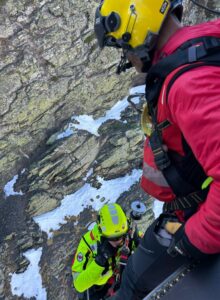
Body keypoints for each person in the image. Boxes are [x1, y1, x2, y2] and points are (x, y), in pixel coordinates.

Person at [94, 0, 220, 299]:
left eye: (122, 48)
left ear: (135, 32)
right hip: (193, 198)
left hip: (196, 211)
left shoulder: (190, 84)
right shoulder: (203, 45)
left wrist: (193, 239)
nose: (127, 58)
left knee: (135, 280)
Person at [71, 203, 142, 300]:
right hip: (97, 285)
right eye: (114, 238)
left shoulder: (129, 229)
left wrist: (140, 244)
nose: (120, 241)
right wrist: (100, 260)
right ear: (102, 233)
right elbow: (79, 285)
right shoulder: (88, 244)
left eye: (122, 236)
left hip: (122, 275)